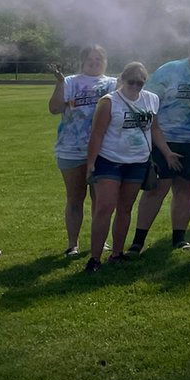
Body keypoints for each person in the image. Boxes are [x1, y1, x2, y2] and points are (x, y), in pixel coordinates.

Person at [130, 30, 190, 253]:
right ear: (189, 49)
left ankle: (179, 238)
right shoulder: (169, 71)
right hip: (166, 140)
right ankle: (138, 241)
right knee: (156, 189)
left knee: (186, 190)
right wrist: (160, 145)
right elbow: (149, 104)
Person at [83, 63, 181, 273]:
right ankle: (94, 258)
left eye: (140, 83)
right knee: (105, 207)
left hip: (137, 162)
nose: (135, 86)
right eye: (132, 82)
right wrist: (91, 162)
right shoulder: (109, 102)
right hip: (110, 160)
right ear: (122, 80)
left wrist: (167, 152)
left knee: (126, 208)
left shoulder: (151, 99)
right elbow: (97, 133)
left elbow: (155, 129)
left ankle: (117, 253)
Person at [48, 45, 116, 257]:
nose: (94, 62)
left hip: (103, 150)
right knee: (75, 198)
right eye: (90, 59)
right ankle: (73, 244)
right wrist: (60, 83)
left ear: (105, 61)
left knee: (100, 200)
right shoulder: (70, 81)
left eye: (98, 59)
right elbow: (54, 108)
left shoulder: (113, 83)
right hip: (72, 149)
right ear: (82, 62)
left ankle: (100, 241)